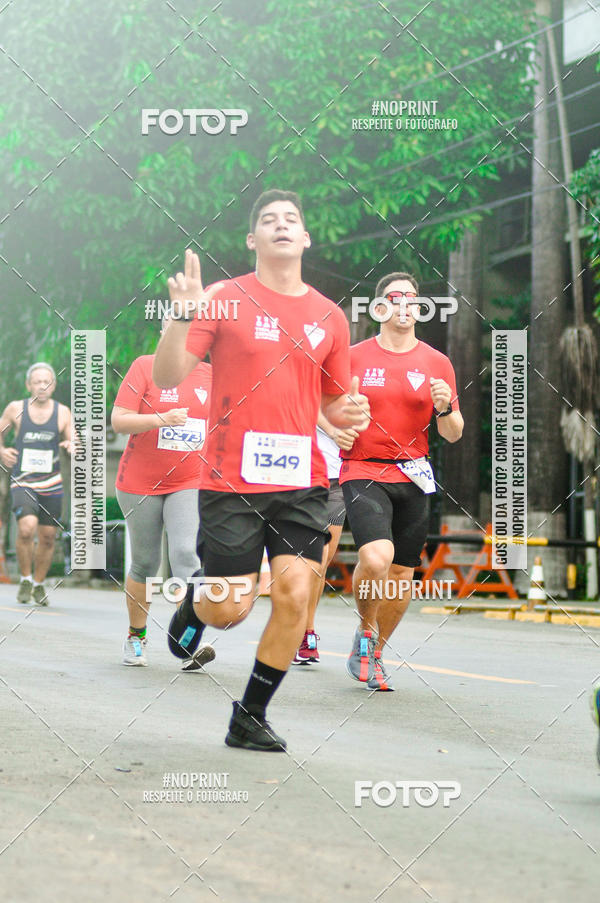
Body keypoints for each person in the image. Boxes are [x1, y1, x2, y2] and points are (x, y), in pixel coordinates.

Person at [153, 188, 370, 751]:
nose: (281, 225)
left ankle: (249, 715)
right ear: (252, 239)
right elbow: (171, 374)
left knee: (298, 592)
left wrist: (351, 412)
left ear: (305, 238)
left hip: (301, 481)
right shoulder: (224, 298)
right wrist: (182, 314)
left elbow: (332, 402)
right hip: (231, 482)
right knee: (229, 609)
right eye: (268, 220)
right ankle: (195, 605)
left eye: (291, 219)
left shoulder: (329, 315)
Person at [340, 272, 463, 690]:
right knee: (375, 559)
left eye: (414, 298)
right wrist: (342, 417)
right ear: (379, 308)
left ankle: (371, 651)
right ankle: (366, 627)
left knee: (402, 573)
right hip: (363, 468)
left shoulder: (436, 362)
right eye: (397, 297)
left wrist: (445, 408)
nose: (407, 305)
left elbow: (453, 432)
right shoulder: (353, 357)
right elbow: (324, 411)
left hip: (414, 473)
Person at [112, 315, 214, 669]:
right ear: (163, 332)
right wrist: (160, 419)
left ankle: (187, 642)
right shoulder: (145, 367)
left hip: (189, 480)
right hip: (139, 482)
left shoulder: (212, 376)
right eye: (175, 327)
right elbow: (120, 419)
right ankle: (136, 637)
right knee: (145, 561)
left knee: (187, 554)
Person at [0, 363, 73, 606]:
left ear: (53, 385)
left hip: (52, 484)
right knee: (26, 529)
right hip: (23, 481)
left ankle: (39, 584)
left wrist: (71, 445)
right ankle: (25, 578)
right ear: (28, 385)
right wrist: (2, 451)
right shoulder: (16, 409)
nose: (42, 386)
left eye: (47, 382)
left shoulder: (62, 412)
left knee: (49, 536)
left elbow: (74, 439)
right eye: (37, 382)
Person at [292, 411, 357, 665]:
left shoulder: (359, 376)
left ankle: (306, 632)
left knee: (321, 562)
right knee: (307, 560)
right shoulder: (312, 373)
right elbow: (306, 401)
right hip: (303, 474)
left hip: (337, 478)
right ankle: (298, 629)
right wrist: (332, 430)